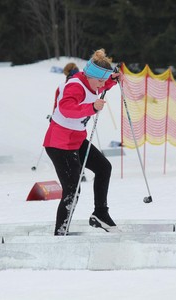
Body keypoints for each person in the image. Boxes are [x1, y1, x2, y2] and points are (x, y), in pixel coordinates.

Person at [43, 49, 120, 236]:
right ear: (90, 76)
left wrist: (111, 80)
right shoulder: (75, 86)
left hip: (76, 140)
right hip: (59, 144)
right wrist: (92, 107)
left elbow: (100, 86)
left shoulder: (93, 82)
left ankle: (100, 214)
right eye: (101, 81)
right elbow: (66, 108)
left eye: (104, 81)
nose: (101, 86)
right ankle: (61, 232)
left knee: (104, 168)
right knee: (72, 190)